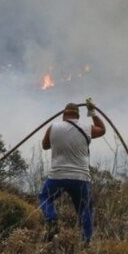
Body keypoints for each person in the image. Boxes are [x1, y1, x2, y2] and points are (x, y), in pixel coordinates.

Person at [39, 102, 105, 242]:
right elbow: (102, 130)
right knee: (85, 209)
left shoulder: (53, 127)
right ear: (78, 116)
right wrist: (92, 112)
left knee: (45, 197)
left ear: (63, 114)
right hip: (80, 177)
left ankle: (51, 219)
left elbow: (45, 146)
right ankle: (86, 241)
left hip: (57, 176)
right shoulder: (87, 128)